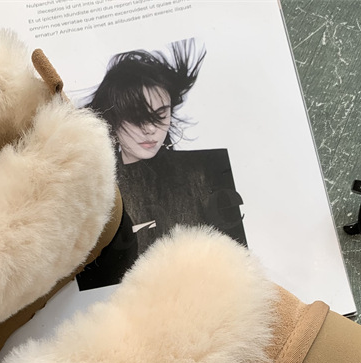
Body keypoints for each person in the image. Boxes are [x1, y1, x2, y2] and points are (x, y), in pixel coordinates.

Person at [77, 39, 247, 291]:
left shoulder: (201, 172)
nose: (150, 129)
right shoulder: (91, 190)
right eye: (136, 117)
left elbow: (237, 263)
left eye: (160, 114)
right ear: (112, 116)